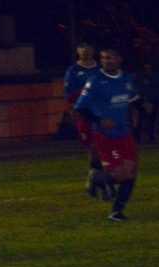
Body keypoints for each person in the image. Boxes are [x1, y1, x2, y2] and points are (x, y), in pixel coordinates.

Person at [74, 47, 140, 222]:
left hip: (125, 133)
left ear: (119, 59)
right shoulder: (95, 80)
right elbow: (80, 107)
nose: (106, 61)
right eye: (103, 58)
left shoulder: (127, 79)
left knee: (131, 173)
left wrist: (136, 117)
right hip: (106, 136)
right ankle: (96, 177)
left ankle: (117, 212)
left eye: (110, 58)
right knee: (121, 175)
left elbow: (132, 101)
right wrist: (99, 120)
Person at [63, 42, 108, 199]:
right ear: (78, 52)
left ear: (93, 51)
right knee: (93, 147)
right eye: (82, 50)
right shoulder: (73, 71)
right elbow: (69, 95)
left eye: (88, 49)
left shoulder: (101, 69)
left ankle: (96, 180)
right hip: (84, 114)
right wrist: (73, 110)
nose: (85, 52)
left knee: (103, 146)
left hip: (101, 113)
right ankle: (97, 180)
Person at [135, 63, 159, 143]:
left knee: (152, 120)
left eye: (149, 68)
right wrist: (144, 100)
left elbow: (155, 89)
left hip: (153, 100)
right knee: (141, 120)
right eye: (146, 69)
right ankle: (138, 137)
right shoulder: (141, 78)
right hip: (144, 101)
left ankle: (151, 137)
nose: (148, 70)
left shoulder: (154, 77)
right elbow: (141, 89)